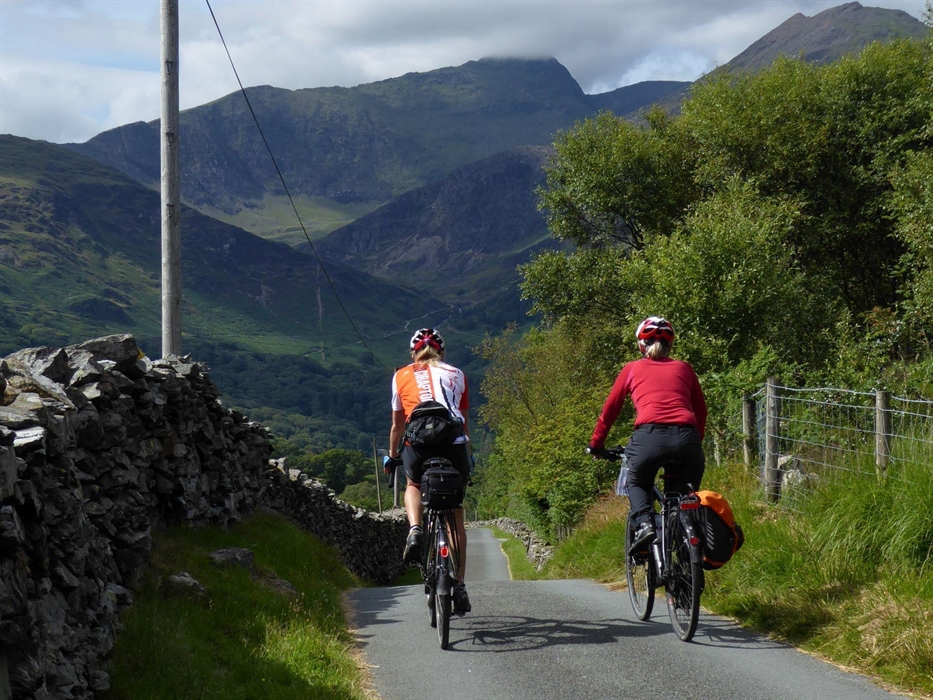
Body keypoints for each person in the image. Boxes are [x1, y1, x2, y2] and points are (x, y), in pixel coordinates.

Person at [588, 317, 707, 552]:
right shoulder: (684, 368)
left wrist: (596, 444)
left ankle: (644, 524)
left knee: (637, 481)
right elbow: (701, 410)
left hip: (648, 438)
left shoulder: (632, 368)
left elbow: (610, 410)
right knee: (683, 500)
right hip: (687, 439)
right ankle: (685, 549)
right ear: (670, 346)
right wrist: (694, 442)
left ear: (641, 345)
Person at [385, 328, 472, 614]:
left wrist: (393, 455)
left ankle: (415, 529)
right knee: (456, 510)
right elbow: (464, 419)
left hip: (417, 440)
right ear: (442, 352)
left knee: (413, 483)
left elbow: (398, 425)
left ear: (413, 353)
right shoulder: (458, 374)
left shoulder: (401, 375)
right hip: (453, 441)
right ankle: (458, 585)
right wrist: (468, 455)